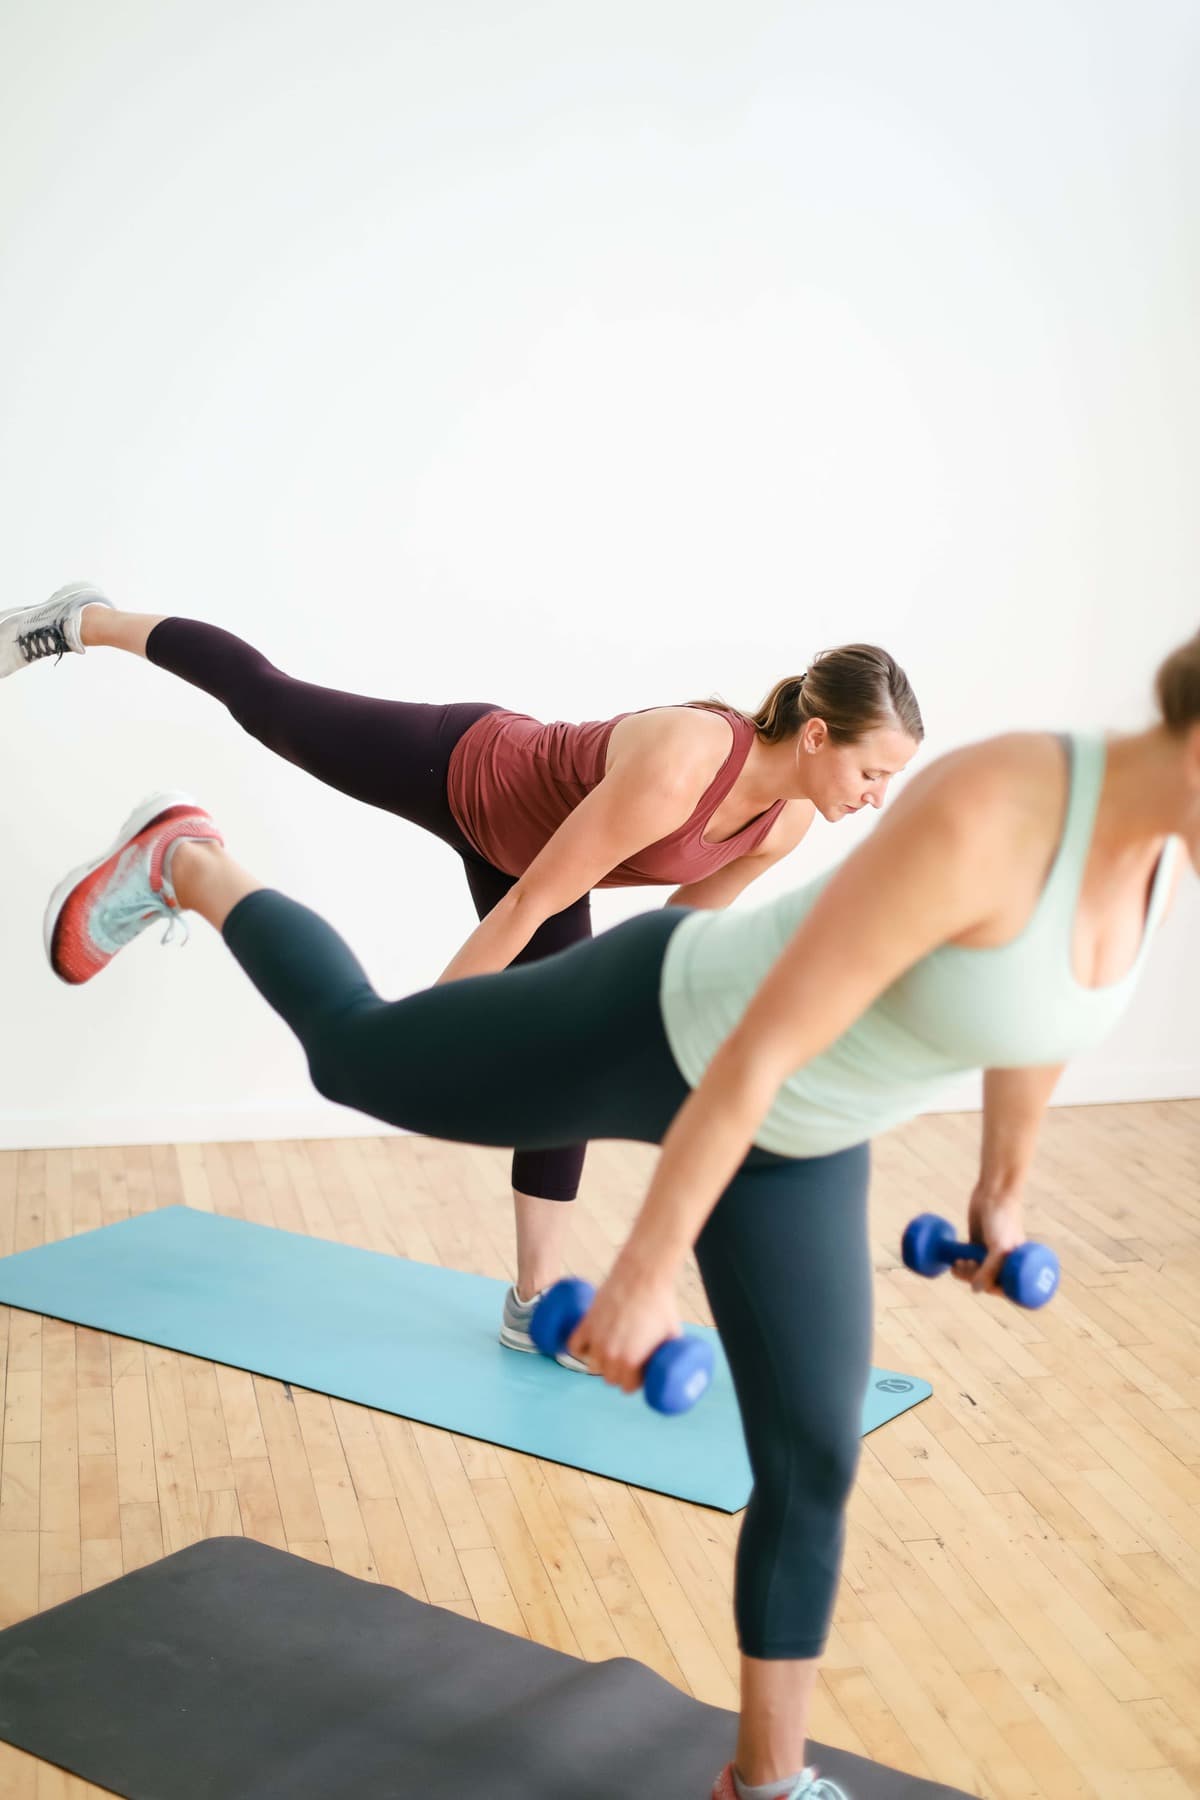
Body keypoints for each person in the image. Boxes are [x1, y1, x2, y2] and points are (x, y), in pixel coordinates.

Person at [40, 625, 1197, 1800]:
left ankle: (769, 1780)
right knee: (359, 1058)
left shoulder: (1152, 856)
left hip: (800, 1132)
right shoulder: (997, 806)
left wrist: (999, 1195)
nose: (871, 792)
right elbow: (750, 1043)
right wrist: (643, 1271)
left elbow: (1039, 1020)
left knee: (813, 1454)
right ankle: (188, 861)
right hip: (673, 1026)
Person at [4, 580, 921, 1369]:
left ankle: (532, 1300)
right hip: (468, 771)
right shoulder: (690, 762)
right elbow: (524, 910)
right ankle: (85, 620)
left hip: (535, 868)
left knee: (571, 1070)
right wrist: (416, 1040)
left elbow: (671, 949)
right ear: (813, 735)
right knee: (272, 702)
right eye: (872, 771)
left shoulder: (786, 825)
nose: (876, 797)